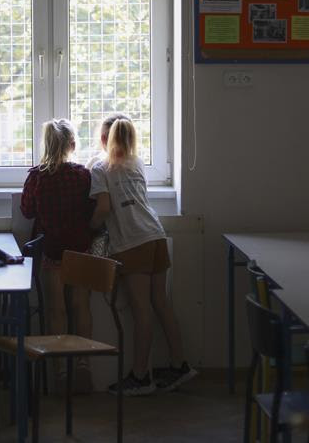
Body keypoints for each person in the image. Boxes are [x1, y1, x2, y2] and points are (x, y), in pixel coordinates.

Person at [89, 114, 198, 396]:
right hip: (156, 234)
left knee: (141, 309)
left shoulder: (100, 168)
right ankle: (180, 365)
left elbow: (102, 209)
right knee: (161, 303)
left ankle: (140, 376)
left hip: (132, 242)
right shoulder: (137, 162)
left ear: (104, 139)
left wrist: (89, 228)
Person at [20, 118, 95, 394]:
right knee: (81, 306)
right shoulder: (82, 175)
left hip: (52, 251)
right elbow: (90, 210)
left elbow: (27, 210)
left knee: (56, 309)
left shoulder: (37, 176)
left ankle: (60, 370)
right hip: (80, 250)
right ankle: (85, 364)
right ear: (72, 145)